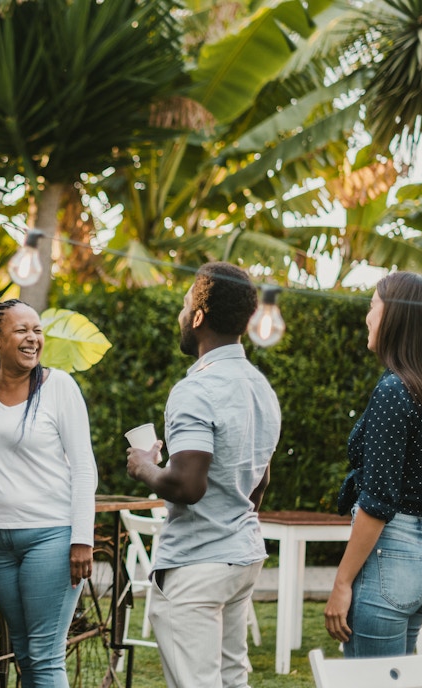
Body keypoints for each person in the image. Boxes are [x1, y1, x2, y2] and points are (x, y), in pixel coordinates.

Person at [126, 262, 281, 688]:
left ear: (197, 317)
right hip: (241, 556)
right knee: (232, 679)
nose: (180, 315)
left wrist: (144, 466)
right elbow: (261, 480)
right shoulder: (260, 387)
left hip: (197, 566)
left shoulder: (196, 389)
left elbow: (188, 485)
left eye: (184, 306)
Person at [0, 299, 97, 688]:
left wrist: (82, 539)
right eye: (21, 330)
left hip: (50, 537)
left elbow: (84, 467)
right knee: (23, 654)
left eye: (37, 330)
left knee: (44, 656)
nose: (32, 338)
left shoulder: (59, 387)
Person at [324, 272, 422, 657]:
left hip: (389, 560)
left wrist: (342, 583)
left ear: (397, 316)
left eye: (373, 306)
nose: (367, 317)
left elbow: (378, 501)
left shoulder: (393, 390)